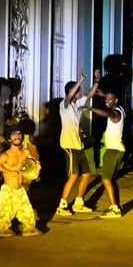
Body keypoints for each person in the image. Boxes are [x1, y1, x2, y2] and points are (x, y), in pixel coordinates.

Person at [56, 70, 100, 216]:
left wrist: (96, 81)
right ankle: (62, 204)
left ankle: (78, 202)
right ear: (72, 91)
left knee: (86, 174)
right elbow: (69, 97)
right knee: (73, 175)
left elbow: (90, 94)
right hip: (68, 145)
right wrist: (80, 80)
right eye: (78, 90)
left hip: (78, 145)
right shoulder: (65, 105)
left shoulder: (78, 104)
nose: (81, 92)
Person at [0, 124, 41, 237]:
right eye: (14, 134)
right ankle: (4, 229)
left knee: (26, 210)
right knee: (6, 212)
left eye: (19, 134)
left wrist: (36, 165)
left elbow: (33, 162)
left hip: (20, 189)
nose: (17, 136)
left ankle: (28, 228)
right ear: (9, 139)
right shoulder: (6, 155)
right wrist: (9, 171)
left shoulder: (25, 153)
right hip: (8, 189)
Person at [83, 88, 125, 218]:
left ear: (116, 101)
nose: (107, 101)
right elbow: (107, 96)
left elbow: (107, 113)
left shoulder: (115, 113)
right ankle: (115, 206)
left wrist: (91, 109)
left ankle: (114, 208)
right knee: (110, 179)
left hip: (114, 150)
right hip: (117, 149)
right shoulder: (121, 109)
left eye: (110, 99)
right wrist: (99, 89)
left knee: (106, 178)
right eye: (106, 99)